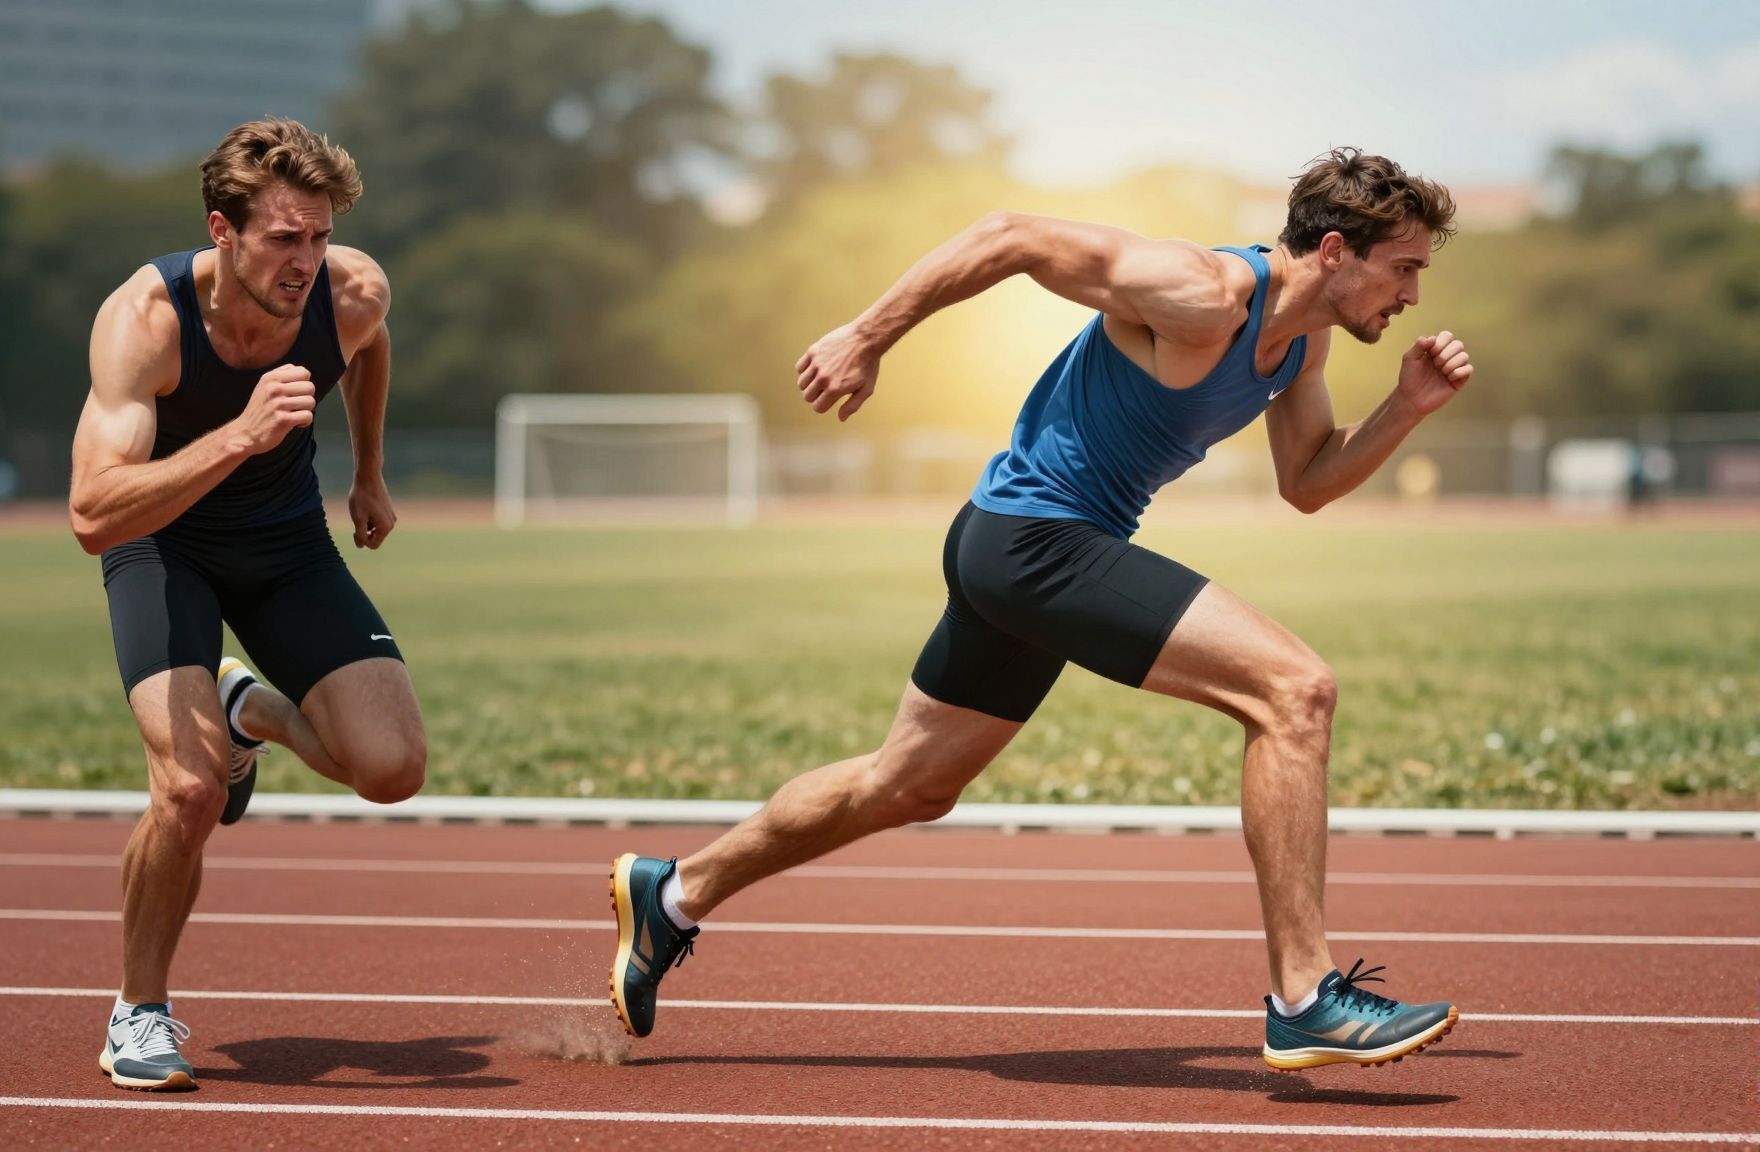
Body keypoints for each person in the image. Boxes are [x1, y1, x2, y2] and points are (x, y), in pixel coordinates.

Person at [609, 148, 1472, 1072]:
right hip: (1035, 540)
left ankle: (674, 895)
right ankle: (1305, 997)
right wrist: (866, 335)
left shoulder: (1303, 342)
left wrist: (1405, 408)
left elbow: (1306, 482)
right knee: (1295, 691)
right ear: (1336, 251)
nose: (1413, 294)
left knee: (907, 786)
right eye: (1404, 267)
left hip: (1021, 548)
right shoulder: (1204, 292)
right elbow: (1011, 235)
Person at [67, 118, 426, 1090]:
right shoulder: (145, 321)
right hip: (161, 543)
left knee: (392, 769)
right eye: (283, 238)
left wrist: (369, 471)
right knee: (188, 791)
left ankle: (246, 712)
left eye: (320, 235)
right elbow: (93, 515)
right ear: (221, 231)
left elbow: (369, 345)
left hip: (283, 544)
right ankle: (139, 1014)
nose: (306, 261)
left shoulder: (349, 293)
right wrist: (238, 435)